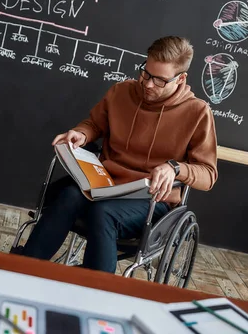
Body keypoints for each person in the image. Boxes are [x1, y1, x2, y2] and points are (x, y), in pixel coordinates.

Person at [21, 36, 218, 273]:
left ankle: (99, 291)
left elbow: (207, 174)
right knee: (67, 197)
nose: (148, 84)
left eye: (160, 80)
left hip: (152, 199)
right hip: (106, 184)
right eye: (145, 73)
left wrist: (175, 168)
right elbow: (94, 125)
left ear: (181, 79)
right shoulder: (121, 92)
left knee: (103, 213)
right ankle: (23, 269)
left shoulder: (197, 112)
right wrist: (82, 134)